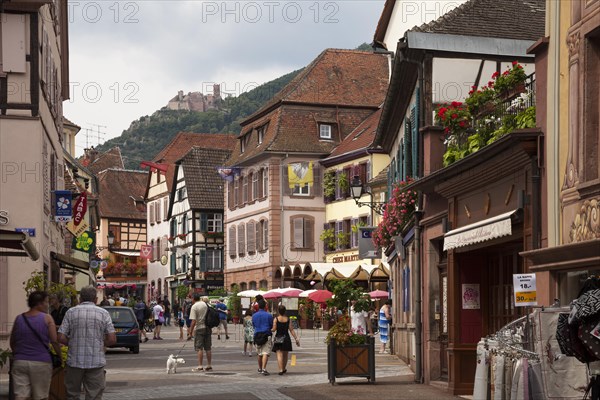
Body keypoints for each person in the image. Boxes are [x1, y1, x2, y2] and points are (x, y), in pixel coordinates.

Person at [58, 285, 116, 400]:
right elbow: (112, 339)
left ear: (80, 299)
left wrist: (73, 342)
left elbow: (60, 337)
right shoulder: (103, 313)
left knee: (72, 395)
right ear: (95, 299)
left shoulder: (71, 312)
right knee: (94, 396)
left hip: (74, 361)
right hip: (96, 361)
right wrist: (100, 343)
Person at [10, 291, 62, 400]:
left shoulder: (19, 318)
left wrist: (18, 354)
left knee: (20, 396)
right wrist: (60, 356)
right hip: (41, 362)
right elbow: (54, 341)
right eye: (46, 302)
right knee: (41, 396)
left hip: (20, 362)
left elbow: (12, 341)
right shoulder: (47, 319)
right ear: (39, 303)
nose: (48, 305)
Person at [271, 305, 300, 375]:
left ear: (278, 311)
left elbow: (274, 329)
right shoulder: (288, 319)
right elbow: (291, 330)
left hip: (278, 337)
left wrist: (270, 329)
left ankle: (280, 369)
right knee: (285, 354)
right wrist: (296, 338)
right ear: (285, 311)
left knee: (279, 353)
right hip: (286, 337)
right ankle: (284, 368)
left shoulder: (276, 319)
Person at [189, 294, 213, 371]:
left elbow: (193, 321)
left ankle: (200, 365)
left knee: (199, 348)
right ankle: (209, 365)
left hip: (199, 328)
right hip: (208, 327)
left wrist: (190, 332)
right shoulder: (205, 304)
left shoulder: (194, 307)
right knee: (208, 348)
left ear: (193, 298)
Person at [252, 299, 273, 376]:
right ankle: (264, 369)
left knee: (259, 353)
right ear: (265, 306)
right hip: (266, 334)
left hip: (257, 334)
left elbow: (254, 325)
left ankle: (260, 368)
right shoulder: (269, 315)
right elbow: (271, 325)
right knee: (265, 352)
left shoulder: (254, 315)